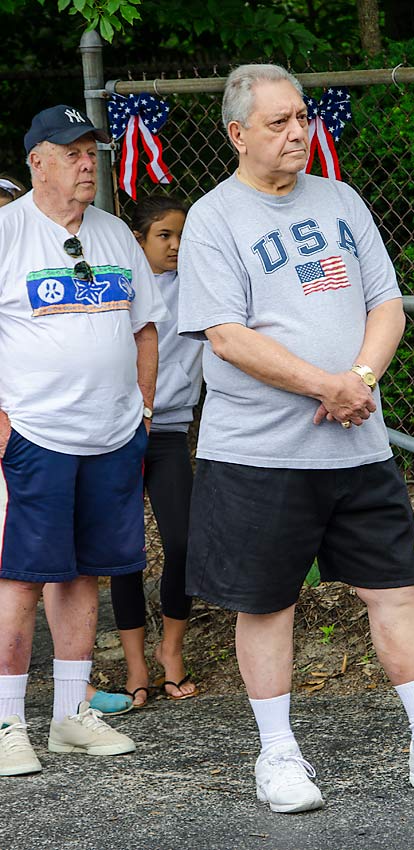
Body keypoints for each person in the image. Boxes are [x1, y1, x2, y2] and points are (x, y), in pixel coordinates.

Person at [177, 64, 414, 813]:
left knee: (396, 593)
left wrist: (357, 376)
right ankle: (279, 756)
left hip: (357, 444)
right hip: (259, 452)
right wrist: (327, 387)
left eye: (301, 117)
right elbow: (227, 337)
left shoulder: (341, 198)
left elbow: (384, 302)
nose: (298, 132)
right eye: (279, 123)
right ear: (237, 134)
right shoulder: (215, 218)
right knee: (267, 605)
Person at [0, 104, 168, 776]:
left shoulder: (115, 236)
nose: (85, 165)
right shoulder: (8, 232)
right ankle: (7, 722)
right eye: (71, 153)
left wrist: (145, 409)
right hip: (36, 434)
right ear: (36, 160)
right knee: (18, 581)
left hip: (113, 435)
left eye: (92, 153)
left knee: (83, 576)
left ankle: (71, 715)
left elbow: (146, 327)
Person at [109, 194, 203, 707]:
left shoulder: (197, 285)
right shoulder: (116, 288)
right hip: (120, 433)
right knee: (124, 551)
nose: (175, 245)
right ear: (138, 239)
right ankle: (135, 664)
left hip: (168, 432)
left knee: (183, 544)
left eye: (181, 236)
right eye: (164, 235)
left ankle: (172, 651)